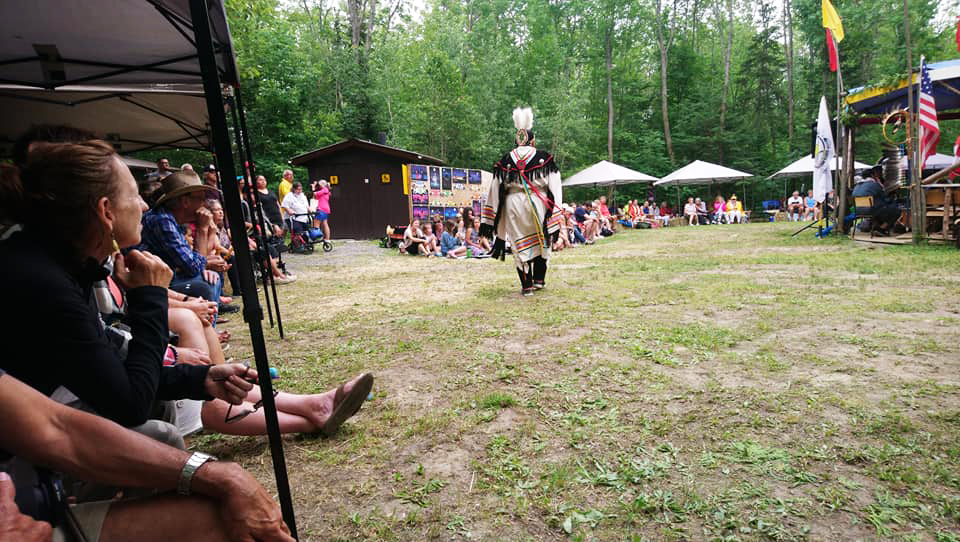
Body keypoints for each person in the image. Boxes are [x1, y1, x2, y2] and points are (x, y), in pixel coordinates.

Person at [0, 370, 295, 542]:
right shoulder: (44, 281)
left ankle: (311, 411)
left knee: (224, 519)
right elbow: (130, 397)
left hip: (30, 508)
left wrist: (222, 476)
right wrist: (149, 294)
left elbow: (58, 429)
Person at [480, 108, 563, 295]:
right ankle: (539, 279)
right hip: (538, 202)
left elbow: (494, 189)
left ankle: (527, 286)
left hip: (513, 204)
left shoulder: (505, 160)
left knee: (518, 242)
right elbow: (555, 185)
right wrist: (556, 212)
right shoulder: (543, 157)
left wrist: (490, 217)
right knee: (542, 240)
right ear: (532, 141)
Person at [139, 171, 229, 305]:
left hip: (164, 281)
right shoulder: (162, 221)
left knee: (211, 279)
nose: (203, 204)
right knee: (204, 286)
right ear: (185, 201)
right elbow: (192, 267)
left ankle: (207, 325)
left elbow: (192, 261)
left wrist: (204, 263)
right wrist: (202, 229)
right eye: (201, 199)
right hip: (148, 290)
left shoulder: (170, 220)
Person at [852, 163, 899, 234]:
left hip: (858, 211)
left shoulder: (857, 186)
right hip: (871, 211)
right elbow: (885, 197)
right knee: (895, 209)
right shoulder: (874, 185)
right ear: (872, 175)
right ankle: (882, 228)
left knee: (880, 208)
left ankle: (877, 227)